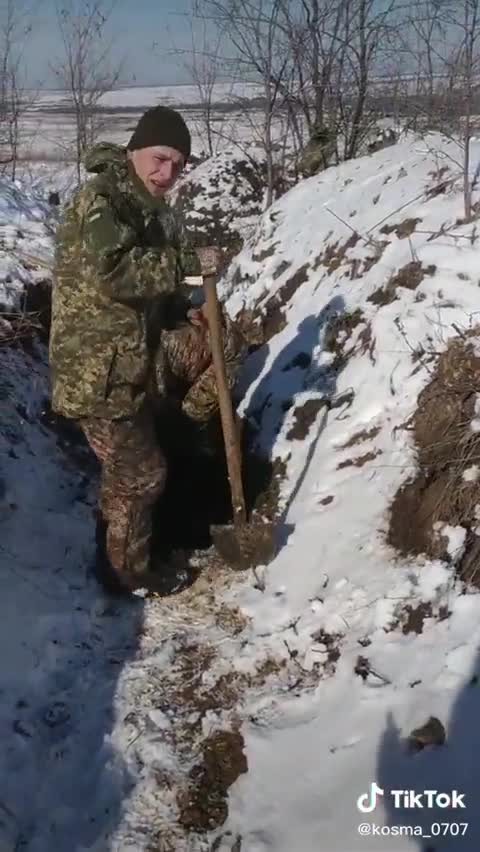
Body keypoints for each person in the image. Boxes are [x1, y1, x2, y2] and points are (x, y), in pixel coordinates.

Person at [49, 105, 245, 596]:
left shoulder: (154, 209)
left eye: (178, 165)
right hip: (99, 368)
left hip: (142, 353)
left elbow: (164, 288)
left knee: (224, 342)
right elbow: (116, 272)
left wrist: (188, 312)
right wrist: (186, 263)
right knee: (141, 475)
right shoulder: (101, 200)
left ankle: (181, 434)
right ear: (134, 150)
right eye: (159, 159)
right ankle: (127, 573)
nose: (167, 173)